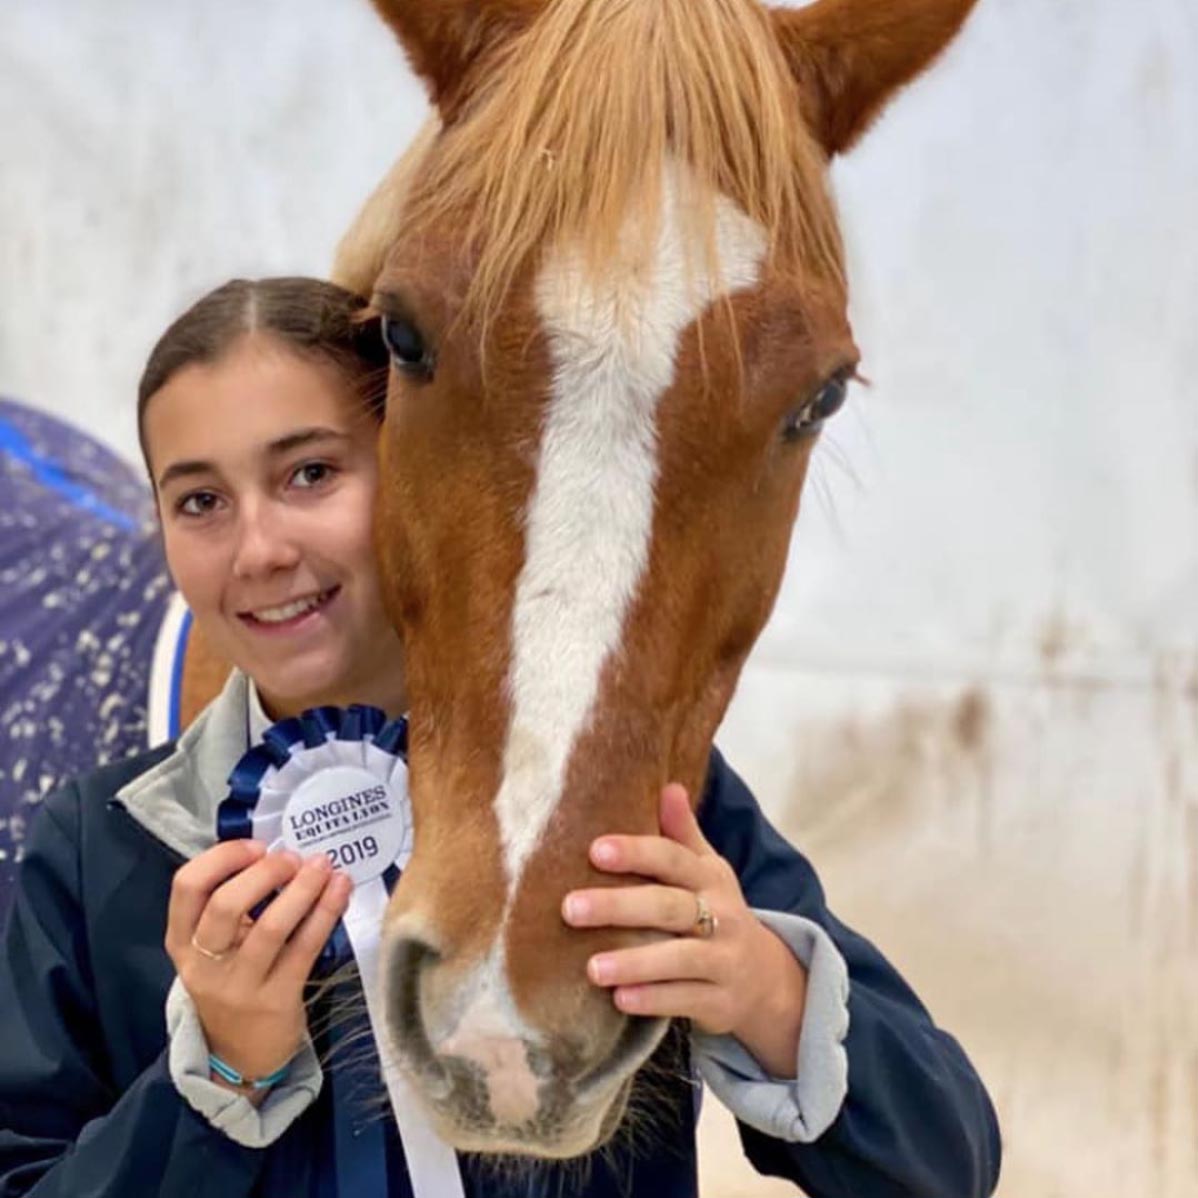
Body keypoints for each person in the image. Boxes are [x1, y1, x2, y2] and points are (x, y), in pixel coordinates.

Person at [0, 277, 1001, 1197]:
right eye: (200, 501)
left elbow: (946, 1161)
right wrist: (214, 1083)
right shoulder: (94, 849)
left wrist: (766, 995)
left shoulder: (628, 790)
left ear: (423, 474)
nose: (260, 549)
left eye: (310, 472)